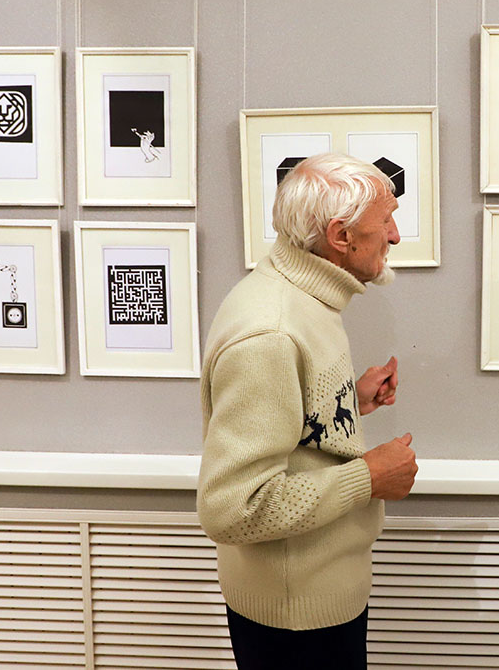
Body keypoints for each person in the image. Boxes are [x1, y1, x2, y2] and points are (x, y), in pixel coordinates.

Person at [197, 152, 418, 670]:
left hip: (309, 600)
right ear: (341, 236)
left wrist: (347, 401)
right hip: (295, 619)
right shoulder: (271, 332)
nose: (395, 235)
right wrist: (368, 477)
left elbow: (287, 429)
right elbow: (233, 507)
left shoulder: (300, 298)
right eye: (385, 219)